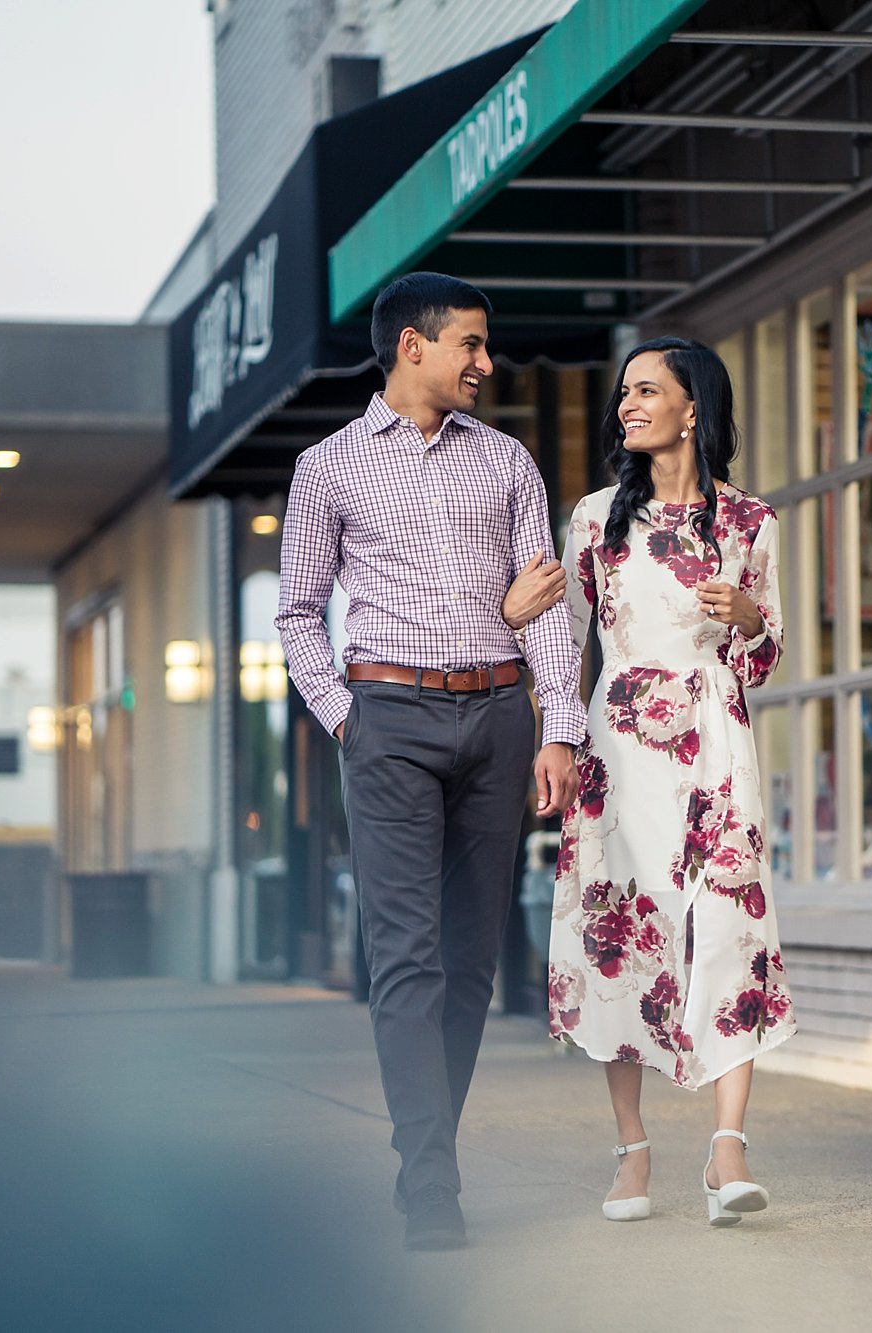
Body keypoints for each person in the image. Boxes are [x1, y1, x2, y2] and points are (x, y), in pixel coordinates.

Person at [275, 272, 583, 1250]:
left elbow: (544, 601)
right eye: (472, 345)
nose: (486, 364)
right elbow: (295, 609)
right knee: (404, 954)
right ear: (412, 346)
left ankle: (426, 1155)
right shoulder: (328, 467)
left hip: (495, 718)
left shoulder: (506, 464)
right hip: (388, 722)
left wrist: (561, 726)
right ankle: (429, 1181)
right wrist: (343, 717)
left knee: (470, 965)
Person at [542, 336, 796, 1227]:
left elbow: (763, 660)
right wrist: (558, 739)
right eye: (623, 392)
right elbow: (559, 639)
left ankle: (728, 1150)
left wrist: (752, 619)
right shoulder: (593, 519)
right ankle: (632, 1147)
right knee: (623, 925)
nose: (627, 404)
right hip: (619, 748)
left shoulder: (750, 524)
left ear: (695, 408)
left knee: (731, 921)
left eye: (647, 390)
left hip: (715, 738)